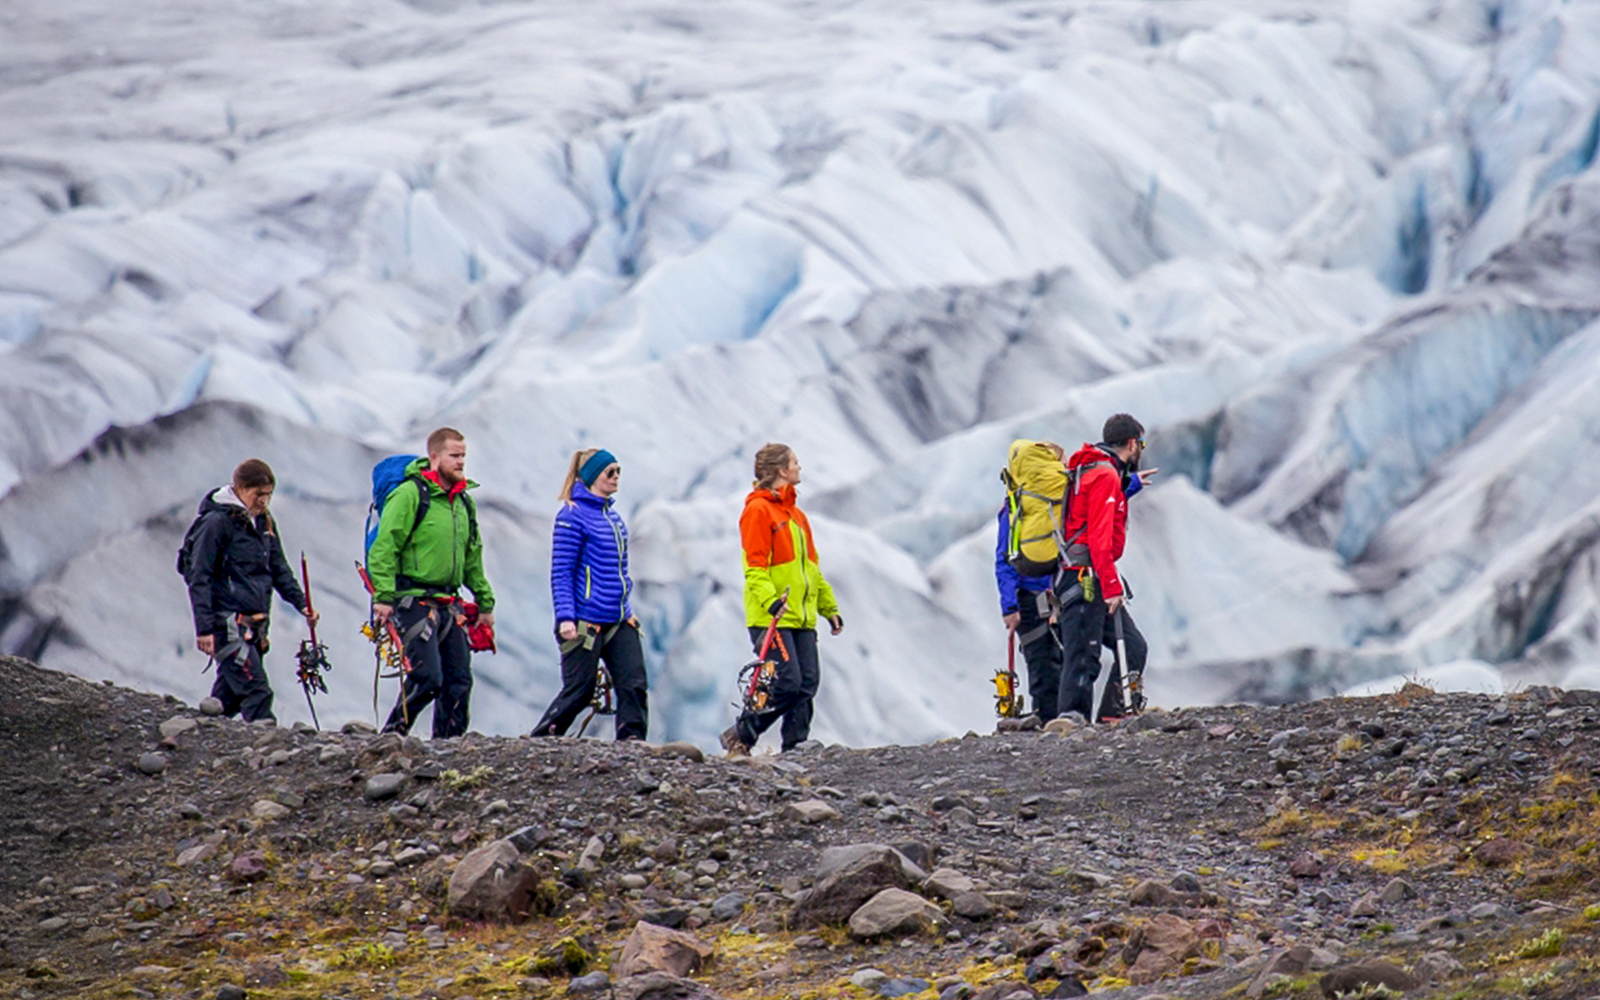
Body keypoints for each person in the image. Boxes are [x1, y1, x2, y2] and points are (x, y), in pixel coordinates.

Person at [368, 427, 495, 738]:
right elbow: (386, 545)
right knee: (427, 677)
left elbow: (472, 556)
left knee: (459, 682)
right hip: (411, 599)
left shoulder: (463, 502)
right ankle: (391, 738)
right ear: (434, 457)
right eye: (454, 456)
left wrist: (484, 601)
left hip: (449, 604)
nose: (461, 462)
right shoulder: (410, 494)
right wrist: (383, 596)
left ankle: (448, 751)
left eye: (463, 455)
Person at [720, 444, 843, 755]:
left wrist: (829, 609)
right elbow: (755, 567)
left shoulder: (797, 517)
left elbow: (812, 571)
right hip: (771, 616)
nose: (800, 467)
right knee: (785, 682)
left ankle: (795, 750)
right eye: (795, 463)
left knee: (806, 685)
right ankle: (742, 733)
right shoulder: (758, 511)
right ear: (781, 471)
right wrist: (770, 601)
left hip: (801, 617)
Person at [184, 459, 319, 723]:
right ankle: (269, 750)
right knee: (256, 691)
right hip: (227, 622)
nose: (264, 501)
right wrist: (204, 629)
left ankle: (197, 738)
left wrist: (302, 604)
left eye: (269, 494)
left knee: (228, 698)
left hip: (255, 626)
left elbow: (278, 568)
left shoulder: (264, 522)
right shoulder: (215, 523)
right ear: (239, 488)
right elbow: (199, 576)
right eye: (258, 494)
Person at [530, 448, 649, 740]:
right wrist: (565, 617)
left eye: (618, 470)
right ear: (592, 476)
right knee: (579, 691)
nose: (616, 477)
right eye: (610, 472)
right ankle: (542, 740)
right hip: (585, 621)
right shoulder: (572, 516)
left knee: (633, 684)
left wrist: (627, 609)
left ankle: (632, 745)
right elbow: (562, 571)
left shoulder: (614, 517)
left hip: (619, 618)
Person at [1056, 414, 1153, 723]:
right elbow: (1098, 539)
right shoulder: (1105, 475)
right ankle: (1072, 721)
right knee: (1083, 656)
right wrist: (1112, 587)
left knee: (1133, 646)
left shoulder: (1089, 468)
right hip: (1086, 577)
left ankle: (1110, 717)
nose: (1141, 449)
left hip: (1082, 573)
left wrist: (1130, 485)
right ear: (1131, 443)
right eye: (1141, 443)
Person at [995, 451, 1063, 722]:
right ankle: (1051, 723)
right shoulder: (1038, 506)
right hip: (1045, 597)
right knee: (1050, 665)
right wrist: (1009, 605)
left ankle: (1049, 721)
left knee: (1044, 664)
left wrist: (1010, 605)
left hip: (1033, 598)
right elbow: (1006, 559)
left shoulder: (1016, 507)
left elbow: (1005, 559)